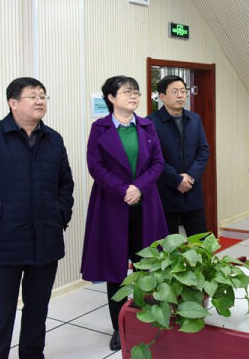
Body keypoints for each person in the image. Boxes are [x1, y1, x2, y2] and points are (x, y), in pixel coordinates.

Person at [0, 77, 74, 359]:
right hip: (3, 241)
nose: (40, 101)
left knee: (37, 310)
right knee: (0, 312)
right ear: (13, 103)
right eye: (33, 96)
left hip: (45, 239)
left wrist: (60, 214)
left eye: (43, 96)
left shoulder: (53, 139)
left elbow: (65, 183)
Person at [80, 76, 168, 351]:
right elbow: (95, 165)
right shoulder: (100, 128)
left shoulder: (147, 126)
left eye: (136, 92)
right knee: (115, 271)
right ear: (111, 98)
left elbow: (158, 163)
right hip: (112, 207)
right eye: (127, 92)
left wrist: (138, 187)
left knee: (147, 266)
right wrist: (123, 190)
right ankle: (119, 328)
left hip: (146, 205)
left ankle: (145, 323)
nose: (134, 96)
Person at [148, 75, 210, 236]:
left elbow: (203, 150)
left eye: (183, 91)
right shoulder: (150, 123)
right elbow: (152, 158)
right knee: (168, 245)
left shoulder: (194, 119)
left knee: (200, 243)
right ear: (162, 96)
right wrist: (176, 180)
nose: (180, 95)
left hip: (192, 190)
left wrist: (190, 176)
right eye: (175, 92)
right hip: (165, 192)